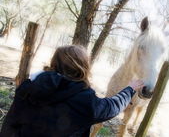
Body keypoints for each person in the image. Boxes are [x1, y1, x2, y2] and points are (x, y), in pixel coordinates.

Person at [0, 45, 145, 137]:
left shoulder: (29, 86)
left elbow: (11, 121)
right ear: (82, 68)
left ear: (54, 63)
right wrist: (130, 89)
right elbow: (110, 107)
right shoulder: (83, 98)